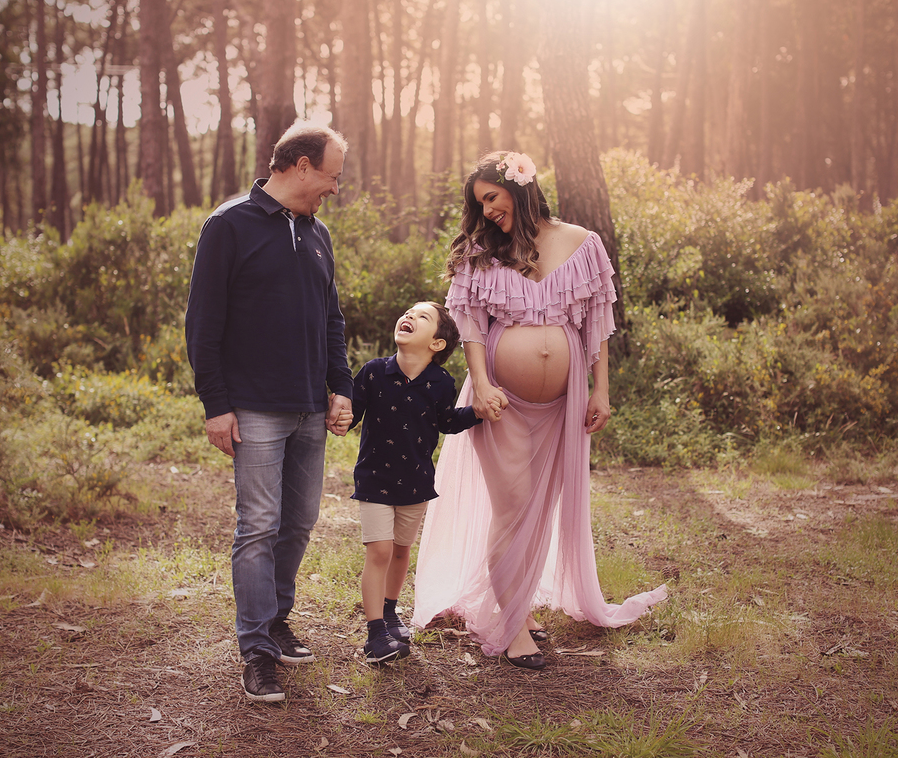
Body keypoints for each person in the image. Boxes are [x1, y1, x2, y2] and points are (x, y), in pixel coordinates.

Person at [412, 151, 669, 670]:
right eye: (479, 203)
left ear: (520, 188)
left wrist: (601, 391)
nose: (485, 212)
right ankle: (510, 630)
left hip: (564, 404)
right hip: (500, 402)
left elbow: (596, 326)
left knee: (540, 506)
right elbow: (470, 327)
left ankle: (519, 603)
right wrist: (481, 386)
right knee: (513, 504)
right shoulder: (482, 251)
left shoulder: (582, 243)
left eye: (492, 197)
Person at [184, 121, 354, 703]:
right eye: (332, 175)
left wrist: (342, 387)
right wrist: (216, 405)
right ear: (301, 165)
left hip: (310, 406)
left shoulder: (319, 234)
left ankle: (276, 618)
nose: (335, 186)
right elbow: (202, 324)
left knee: (299, 521)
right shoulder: (228, 225)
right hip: (253, 407)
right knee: (258, 526)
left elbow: (331, 319)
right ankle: (256, 649)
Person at [332, 301, 483, 665]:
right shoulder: (373, 373)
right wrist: (339, 417)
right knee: (379, 551)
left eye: (423, 317)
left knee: (401, 550)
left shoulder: (441, 383)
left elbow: (446, 421)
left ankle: (389, 611)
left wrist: (477, 413)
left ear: (437, 344)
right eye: (409, 313)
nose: (410, 317)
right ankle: (374, 634)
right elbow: (352, 412)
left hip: (416, 482)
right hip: (374, 478)